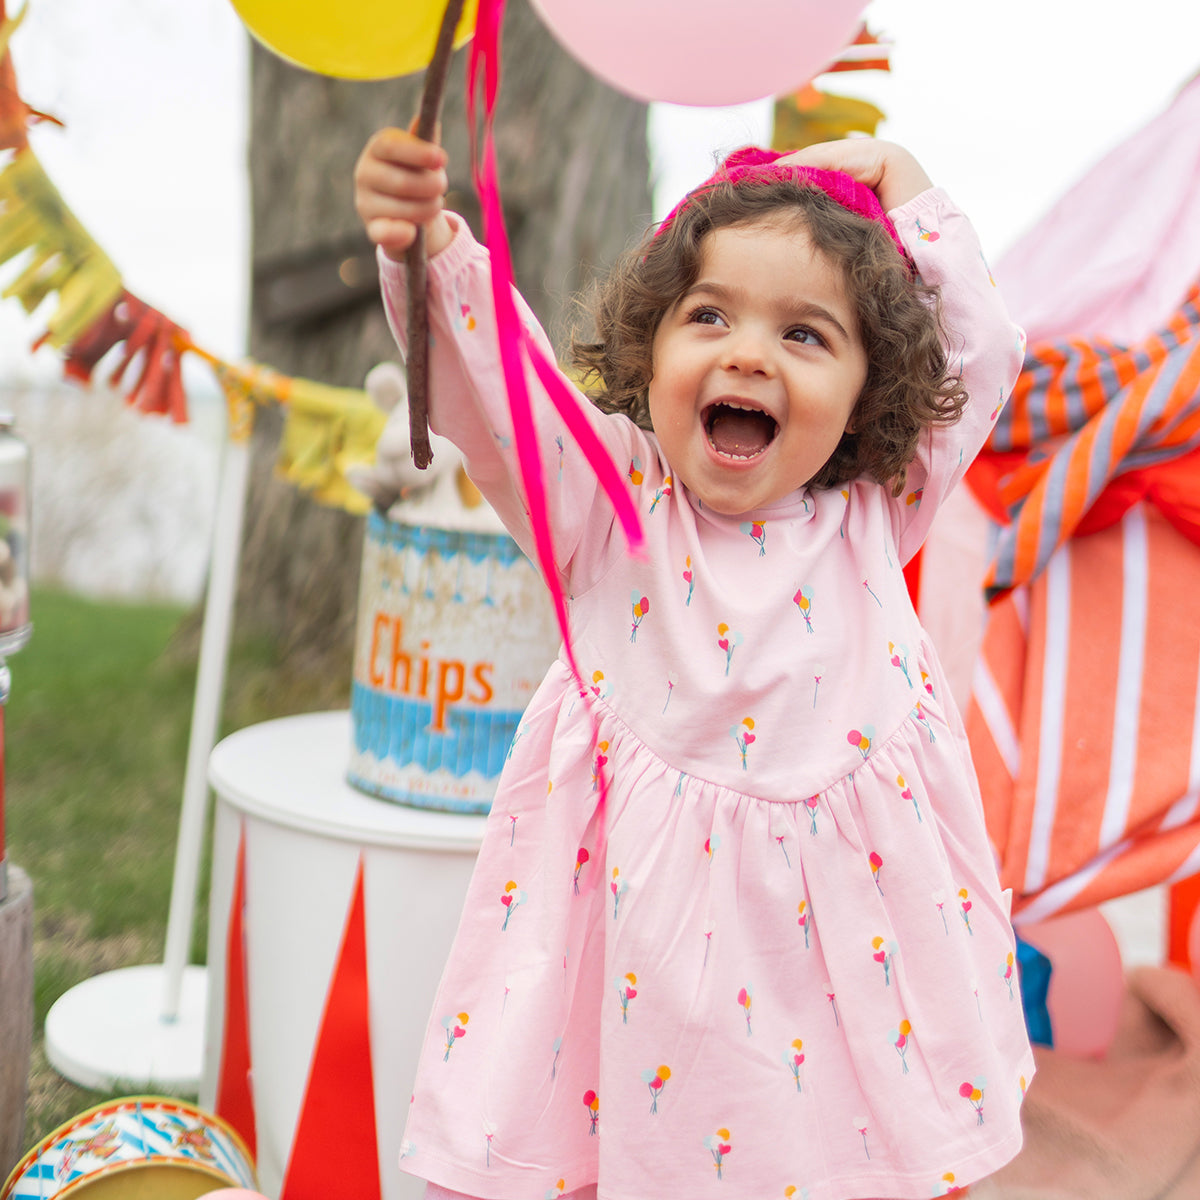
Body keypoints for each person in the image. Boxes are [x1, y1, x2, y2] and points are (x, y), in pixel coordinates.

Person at [355, 128, 1034, 1200]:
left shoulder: (878, 509)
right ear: (651, 347)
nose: (747, 354)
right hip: (644, 976)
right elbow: (498, 393)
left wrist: (900, 173)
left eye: (805, 334)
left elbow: (981, 350)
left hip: (841, 981)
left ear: (870, 391)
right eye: (708, 315)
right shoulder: (607, 506)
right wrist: (429, 246)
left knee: (838, 1163)